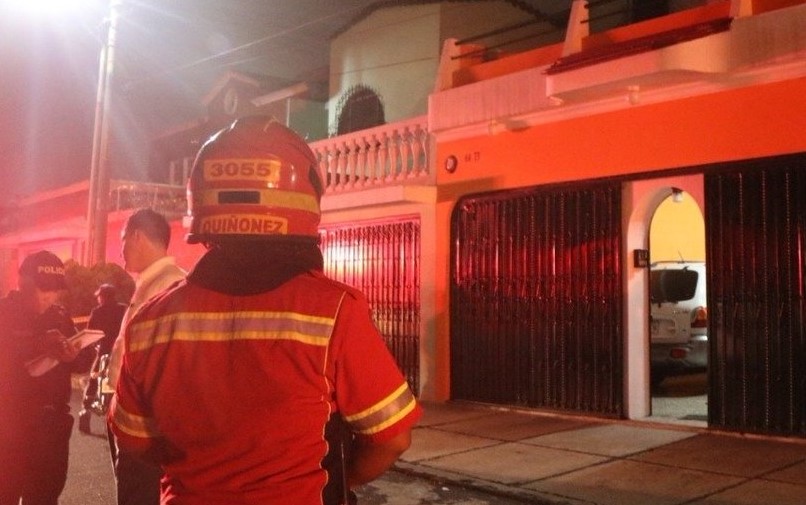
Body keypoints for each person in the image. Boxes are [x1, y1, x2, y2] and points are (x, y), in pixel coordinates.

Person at [109, 116, 422, 505]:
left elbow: (134, 439)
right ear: (307, 197)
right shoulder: (335, 311)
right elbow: (392, 437)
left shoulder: (149, 321)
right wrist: (340, 480)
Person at [105, 208, 187, 505]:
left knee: (137, 494)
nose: (121, 249)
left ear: (137, 237)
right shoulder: (155, 283)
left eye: (123, 239)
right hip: (134, 415)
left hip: (145, 424)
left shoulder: (167, 286)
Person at [0, 250, 94, 505]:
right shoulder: (5, 313)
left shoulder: (60, 317)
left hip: (51, 428)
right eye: (42, 288)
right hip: (10, 425)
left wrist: (75, 354)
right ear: (22, 282)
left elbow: (84, 361)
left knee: (44, 498)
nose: (48, 296)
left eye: (54, 290)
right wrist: (35, 345)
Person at [78, 283, 127, 434]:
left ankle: (85, 412)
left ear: (103, 297)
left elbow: (90, 332)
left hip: (103, 351)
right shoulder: (123, 309)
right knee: (122, 384)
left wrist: (91, 348)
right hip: (121, 352)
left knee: (93, 381)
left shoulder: (97, 312)